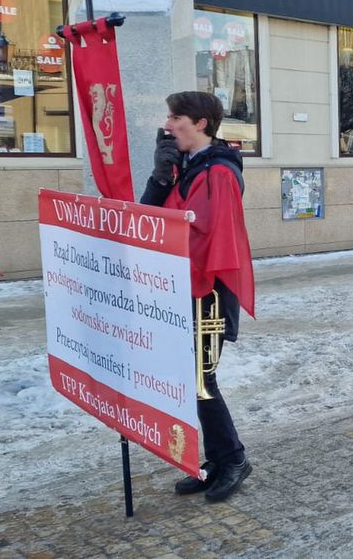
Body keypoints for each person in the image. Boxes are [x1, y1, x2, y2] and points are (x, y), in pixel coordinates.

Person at [141, 91, 255, 502]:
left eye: (175, 118)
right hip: (180, 290)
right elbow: (148, 222)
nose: (168, 125)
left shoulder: (219, 173)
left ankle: (234, 460)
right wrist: (159, 177)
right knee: (190, 382)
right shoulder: (184, 168)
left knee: (201, 382)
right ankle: (216, 460)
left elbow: (211, 243)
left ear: (201, 123)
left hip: (206, 293)